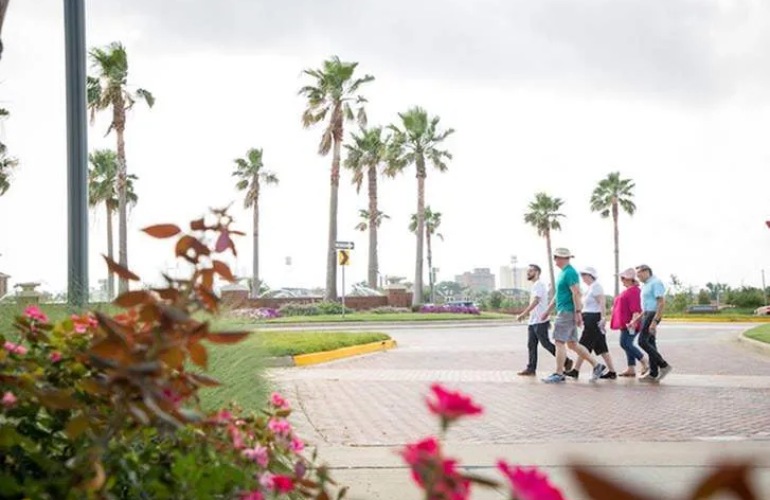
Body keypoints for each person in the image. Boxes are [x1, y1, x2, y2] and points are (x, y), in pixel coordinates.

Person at [540, 248, 607, 384]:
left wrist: (577, 313)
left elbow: (576, 293)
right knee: (572, 344)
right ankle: (597, 365)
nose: (555, 260)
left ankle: (559, 373)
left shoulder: (570, 272)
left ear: (563, 258)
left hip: (567, 311)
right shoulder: (563, 273)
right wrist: (548, 310)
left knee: (559, 342)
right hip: (566, 310)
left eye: (557, 257)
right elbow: (558, 295)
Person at [516, 264, 573, 376]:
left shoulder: (539, 285)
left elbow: (536, 301)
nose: (528, 273)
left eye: (531, 271)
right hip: (533, 321)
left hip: (540, 320)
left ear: (537, 272)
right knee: (531, 345)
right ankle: (531, 368)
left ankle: (566, 361)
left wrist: (524, 313)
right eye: (528, 271)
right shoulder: (535, 285)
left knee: (545, 343)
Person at [565, 267, 617, 379]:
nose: (582, 277)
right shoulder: (590, 288)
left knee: (583, 345)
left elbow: (602, 302)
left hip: (593, 318)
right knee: (601, 346)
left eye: (584, 275)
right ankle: (612, 371)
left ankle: (576, 370)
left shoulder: (596, 286)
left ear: (590, 275)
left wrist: (603, 318)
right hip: (589, 317)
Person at [630, 265, 672, 382]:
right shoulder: (646, 285)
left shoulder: (656, 282)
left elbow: (661, 302)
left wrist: (655, 321)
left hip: (652, 315)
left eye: (639, 274)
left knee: (642, 341)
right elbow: (646, 306)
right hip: (647, 314)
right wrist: (636, 320)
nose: (638, 277)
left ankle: (663, 365)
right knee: (651, 343)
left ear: (646, 272)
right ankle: (653, 373)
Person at [611, 268, 648, 377]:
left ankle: (645, 362)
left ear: (629, 279)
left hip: (630, 323)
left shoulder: (634, 291)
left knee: (625, 343)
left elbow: (636, 309)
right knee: (627, 344)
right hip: (626, 323)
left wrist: (633, 322)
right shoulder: (630, 290)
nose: (621, 280)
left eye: (623, 278)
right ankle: (631, 368)